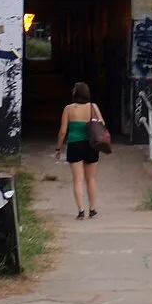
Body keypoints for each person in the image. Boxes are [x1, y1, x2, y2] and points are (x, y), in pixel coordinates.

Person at [54, 82, 105, 219]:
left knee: (78, 180)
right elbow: (102, 124)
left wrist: (58, 148)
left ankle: (81, 211)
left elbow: (63, 131)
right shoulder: (93, 107)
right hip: (91, 145)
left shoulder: (68, 109)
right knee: (91, 179)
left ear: (74, 93)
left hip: (74, 145)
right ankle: (92, 209)